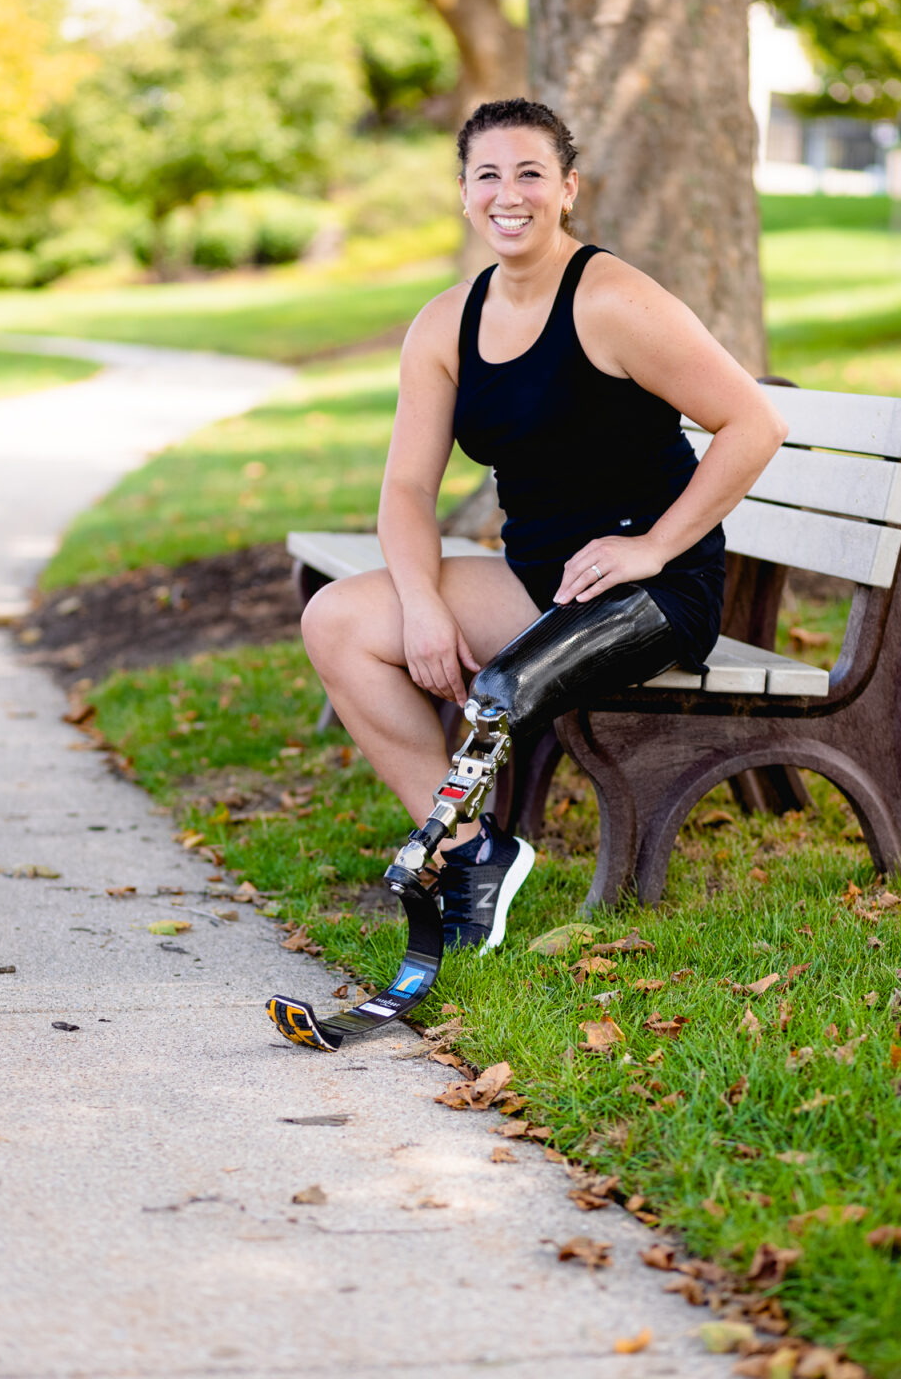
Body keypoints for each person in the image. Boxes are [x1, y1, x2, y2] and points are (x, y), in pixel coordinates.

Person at [301, 97, 787, 953]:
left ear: (568, 187)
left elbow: (753, 425)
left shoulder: (612, 301)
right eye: (487, 175)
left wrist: (652, 546)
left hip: (652, 593)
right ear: (463, 194)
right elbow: (408, 488)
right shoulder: (445, 323)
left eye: (530, 173)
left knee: (496, 695)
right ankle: (468, 854)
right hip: (540, 581)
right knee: (337, 619)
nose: (507, 194)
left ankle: (467, 851)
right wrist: (420, 603)